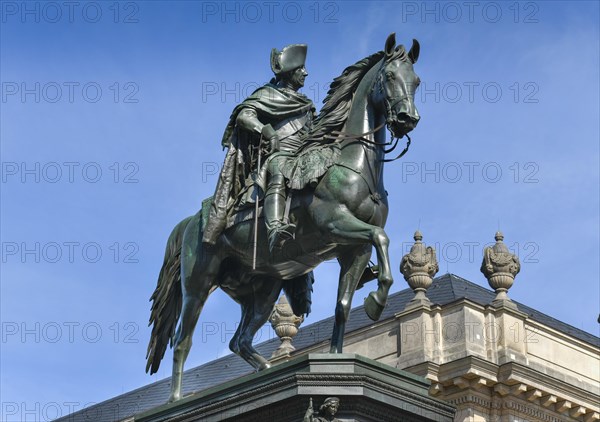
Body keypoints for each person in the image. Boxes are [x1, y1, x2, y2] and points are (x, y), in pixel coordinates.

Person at [202, 44, 316, 251]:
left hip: (304, 157)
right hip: (278, 155)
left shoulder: (307, 105)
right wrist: (266, 130)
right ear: (290, 72)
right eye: (301, 69)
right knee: (280, 167)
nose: (306, 73)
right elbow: (244, 116)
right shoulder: (268, 95)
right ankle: (274, 228)